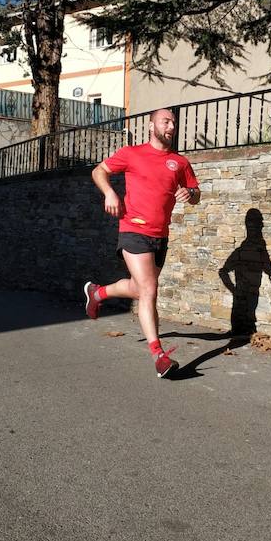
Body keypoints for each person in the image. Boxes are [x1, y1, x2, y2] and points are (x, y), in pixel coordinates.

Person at [85, 108, 201, 378]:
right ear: (152, 126)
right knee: (149, 289)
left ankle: (97, 293)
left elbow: (196, 194)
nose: (171, 126)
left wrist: (190, 193)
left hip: (160, 235)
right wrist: (110, 193)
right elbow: (98, 171)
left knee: (139, 288)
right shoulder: (131, 154)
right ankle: (158, 355)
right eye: (165, 121)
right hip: (133, 229)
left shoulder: (179, 162)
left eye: (173, 122)